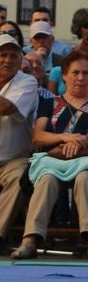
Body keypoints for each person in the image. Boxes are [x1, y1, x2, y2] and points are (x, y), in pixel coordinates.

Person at [11, 51, 88, 261]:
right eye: (75, 72)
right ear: (64, 75)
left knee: (86, 178)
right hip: (54, 160)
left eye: (86, 73)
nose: (81, 77)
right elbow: (38, 136)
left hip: (87, 160)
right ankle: (30, 240)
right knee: (46, 180)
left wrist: (79, 142)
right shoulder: (50, 103)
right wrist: (65, 138)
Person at [0, 34, 38, 250]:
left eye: (13, 55)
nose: (7, 60)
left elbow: (6, 108)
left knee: (19, 178)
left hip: (14, 159)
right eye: (2, 55)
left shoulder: (27, 81)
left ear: (20, 59)